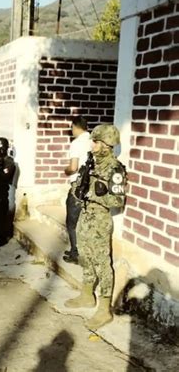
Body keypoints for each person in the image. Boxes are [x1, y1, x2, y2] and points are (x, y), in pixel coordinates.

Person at [64, 124, 127, 330]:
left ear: (106, 145)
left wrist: (96, 194)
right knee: (85, 256)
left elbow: (118, 201)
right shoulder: (92, 164)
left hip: (100, 220)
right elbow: (80, 188)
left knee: (102, 262)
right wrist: (78, 189)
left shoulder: (115, 169)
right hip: (85, 216)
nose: (92, 145)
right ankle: (86, 294)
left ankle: (104, 308)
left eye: (96, 142)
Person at [63, 116, 91, 264]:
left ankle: (75, 253)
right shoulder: (93, 141)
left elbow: (73, 167)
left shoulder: (76, 143)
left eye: (71, 128)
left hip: (78, 187)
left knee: (71, 222)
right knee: (85, 221)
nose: (71, 131)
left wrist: (66, 170)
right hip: (91, 187)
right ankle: (81, 250)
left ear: (75, 126)